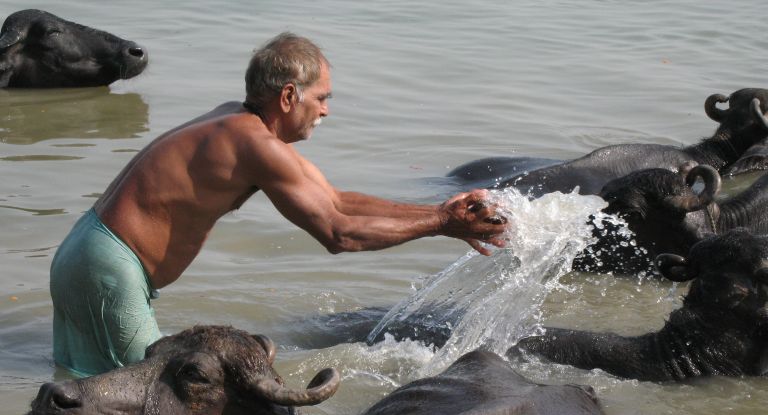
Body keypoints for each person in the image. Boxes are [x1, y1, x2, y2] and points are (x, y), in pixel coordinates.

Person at [49, 32, 508, 377]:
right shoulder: (256, 145)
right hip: (109, 270)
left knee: (85, 392)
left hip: (88, 254)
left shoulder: (240, 123)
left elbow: (337, 201)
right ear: (289, 96)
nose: (326, 110)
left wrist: (442, 213)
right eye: (322, 98)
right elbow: (338, 234)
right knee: (151, 403)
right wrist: (439, 227)